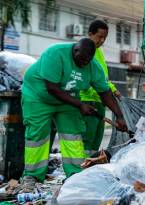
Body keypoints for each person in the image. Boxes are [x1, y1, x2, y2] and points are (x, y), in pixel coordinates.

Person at [21, 38, 127, 192]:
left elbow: (105, 93)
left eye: (88, 60)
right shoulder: (55, 54)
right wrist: (80, 105)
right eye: (82, 59)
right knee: (38, 136)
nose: (84, 63)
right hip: (38, 96)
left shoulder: (93, 67)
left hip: (67, 100)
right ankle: (32, 176)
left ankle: (76, 175)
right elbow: (52, 88)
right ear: (75, 50)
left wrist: (119, 115)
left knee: (72, 135)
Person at [80, 20, 120, 156]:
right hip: (88, 101)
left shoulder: (99, 52)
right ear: (90, 34)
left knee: (96, 140)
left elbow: (102, 78)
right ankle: (81, 169)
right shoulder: (84, 50)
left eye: (105, 38)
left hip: (100, 102)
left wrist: (113, 89)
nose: (102, 41)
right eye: (99, 37)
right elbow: (87, 77)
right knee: (87, 140)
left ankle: (90, 165)